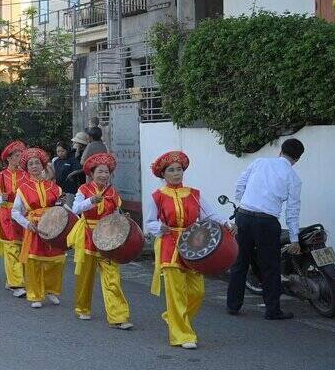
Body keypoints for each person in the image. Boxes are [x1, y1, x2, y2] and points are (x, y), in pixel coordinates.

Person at [144, 151, 232, 349]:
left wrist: (226, 223)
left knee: (197, 291)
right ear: (163, 174)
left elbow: (210, 215)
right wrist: (159, 228)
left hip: (194, 245)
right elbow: (149, 222)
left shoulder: (194, 194)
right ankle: (182, 335)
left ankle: (172, 317)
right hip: (169, 244)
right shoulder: (157, 196)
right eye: (171, 170)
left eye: (179, 170)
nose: (176, 174)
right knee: (175, 292)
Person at [226, 138, 304, 320]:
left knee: (239, 262)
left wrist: (242, 202)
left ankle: (233, 306)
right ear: (297, 159)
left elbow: (240, 185)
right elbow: (292, 211)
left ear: (280, 151)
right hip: (267, 222)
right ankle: (272, 310)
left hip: (244, 216)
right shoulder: (294, 178)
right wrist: (294, 239)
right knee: (270, 266)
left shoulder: (259, 162)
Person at [69, 152, 132, 329]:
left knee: (112, 276)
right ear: (92, 173)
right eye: (100, 172)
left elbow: (115, 213)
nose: (103, 175)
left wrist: (122, 219)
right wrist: (90, 201)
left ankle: (118, 316)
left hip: (108, 236)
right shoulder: (84, 190)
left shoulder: (113, 192)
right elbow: (75, 209)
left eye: (106, 172)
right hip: (88, 233)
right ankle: (82, 308)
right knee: (85, 275)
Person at [12, 147, 65, 309]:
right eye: (30, 164)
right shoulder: (23, 188)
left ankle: (51, 290)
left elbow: (63, 208)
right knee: (34, 261)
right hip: (34, 227)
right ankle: (35, 294)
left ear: (43, 165)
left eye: (37, 163)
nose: (34, 166)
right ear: (27, 168)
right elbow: (15, 212)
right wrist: (27, 224)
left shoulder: (55, 187)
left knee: (55, 261)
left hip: (53, 227)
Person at [0, 140, 28, 298]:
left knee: (23, 247)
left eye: (21, 155)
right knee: (12, 248)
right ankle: (16, 283)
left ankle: (16, 278)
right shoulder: (0, 177)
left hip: (24, 215)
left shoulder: (27, 175)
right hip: (7, 215)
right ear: (9, 158)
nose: (20, 158)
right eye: (17, 156)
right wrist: (0, 199)